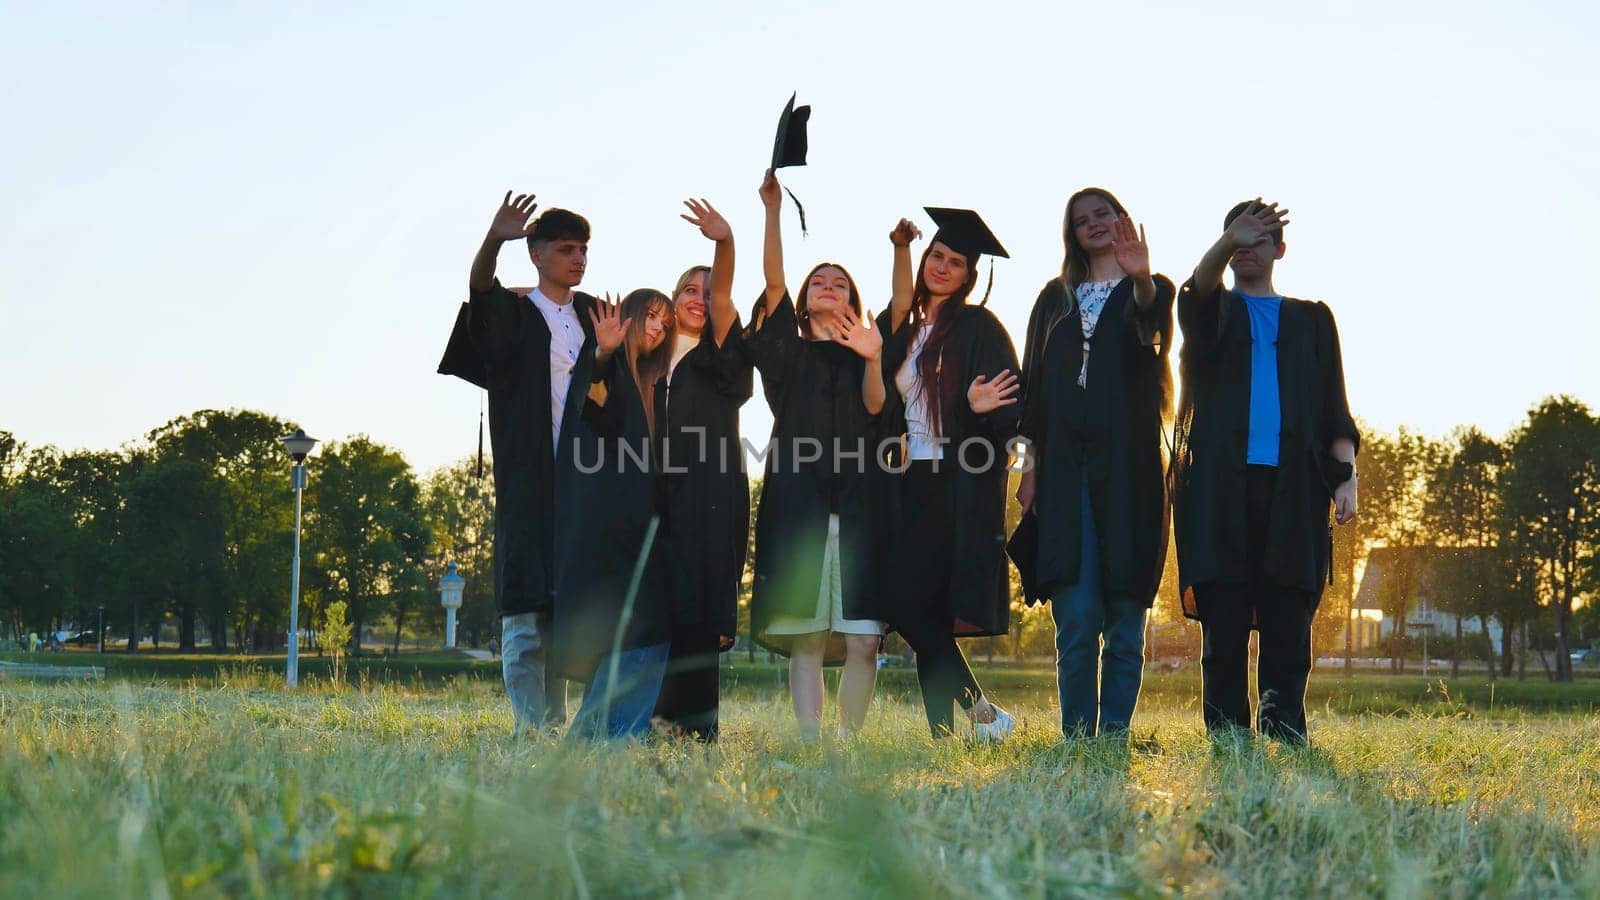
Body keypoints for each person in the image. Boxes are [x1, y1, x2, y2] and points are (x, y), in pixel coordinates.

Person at [1172, 199, 1359, 745]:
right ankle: (1229, 734)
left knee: (1288, 615)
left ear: (1279, 249)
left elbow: (1334, 407)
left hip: (1294, 488)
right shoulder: (1213, 311)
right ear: (1226, 247)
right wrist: (1230, 238)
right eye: (1237, 239)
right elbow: (1197, 288)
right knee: (1224, 619)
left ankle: (1285, 728)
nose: (1248, 249)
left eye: (1260, 239)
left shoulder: (1313, 320)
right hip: (1219, 488)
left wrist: (1345, 477)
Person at [1015, 188, 1174, 740]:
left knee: (1125, 615)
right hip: (1062, 472)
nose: (1094, 225)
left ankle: (1114, 738)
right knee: (1076, 615)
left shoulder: (1151, 292)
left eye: (1102, 213)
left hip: (1129, 472)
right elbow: (1030, 393)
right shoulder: (1052, 300)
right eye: (1082, 220)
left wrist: (1144, 280)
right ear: (1071, 233)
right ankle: (1077, 737)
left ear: (1122, 218)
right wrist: (1025, 467)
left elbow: (1153, 335)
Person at [743, 168, 887, 743]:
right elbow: (772, 281)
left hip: (861, 506)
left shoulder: (868, 353)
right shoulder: (787, 355)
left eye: (840, 283)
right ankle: (809, 741)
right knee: (805, 636)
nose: (828, 286)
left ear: (854, 300)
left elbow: (877, 410)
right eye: (818, 282)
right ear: (804, 302)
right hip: (798, 502)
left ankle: (847, 743)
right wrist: (773, 211)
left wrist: (873, 357)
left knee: (864, 640)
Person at [453, 191, 601, 737]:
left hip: (583, 481)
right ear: (536, 255)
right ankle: (529, 729)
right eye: (566, 249)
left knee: (564, 614)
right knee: (524, 612)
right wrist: (494, 238)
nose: (578, 259)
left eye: (583, 249)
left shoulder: (592, 316)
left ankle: (554, 730)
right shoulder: (515, 315)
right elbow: (479, 289)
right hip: (526, 479)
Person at [877, 208, 1021, 741]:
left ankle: (967, 724)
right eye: (936, 255)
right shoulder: (899, 326)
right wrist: (899, 248)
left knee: (916, 606)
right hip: (906, 479)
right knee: (916, 607)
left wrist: (974, 405)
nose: (941, 266)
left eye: (954, 262)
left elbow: (1012, 403)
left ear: (969, 275)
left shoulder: (979, 327)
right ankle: (970, 723)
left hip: (957, 479)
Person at [652, 199, 752, 742]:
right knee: (655, 613)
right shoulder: (649, 356)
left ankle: (697, 734)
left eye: (708, 290)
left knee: (697, 613)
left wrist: (726, 244)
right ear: (670, 302)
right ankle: (649, 725)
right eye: (689, 289)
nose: (700, 297)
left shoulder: (720, 354)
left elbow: (722, 304)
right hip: (652, 493)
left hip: (709, 494)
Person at [557, 289, 678, 740]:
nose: (657, 329)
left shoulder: (648, 386)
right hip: (609, 535)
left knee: (636, 639)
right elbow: (591, 408)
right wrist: (604, 353)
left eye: (665, 324)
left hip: (635, 534)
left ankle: (596, 741)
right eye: (650, 317)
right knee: (641, 636)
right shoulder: (611, 371)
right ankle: (608, 740)